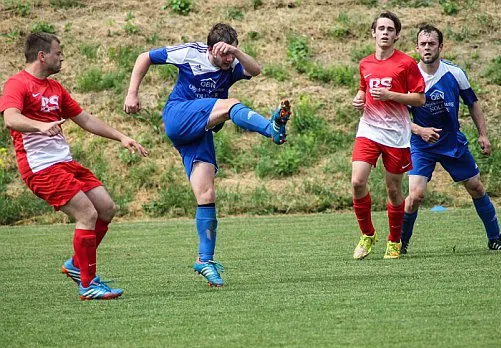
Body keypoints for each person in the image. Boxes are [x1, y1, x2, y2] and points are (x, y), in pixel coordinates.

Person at [124, 23, 291, 287]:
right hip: (179, 116)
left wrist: (236, 51)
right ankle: (271, 130)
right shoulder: (191, 53)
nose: (228, 60)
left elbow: (255, 70)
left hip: (200, 131)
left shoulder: (232, 64)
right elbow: (144, 56)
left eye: (231, 54)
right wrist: (132, 92)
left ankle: (205, 260)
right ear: (210, 49)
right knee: (231, 105)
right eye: (223, 54)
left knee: (206, 195)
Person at [0, 32, 149, 300]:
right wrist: (39, 125)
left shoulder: (56, 89)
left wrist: (122, 137)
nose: (62, 57)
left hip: (65, 163)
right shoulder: (17, 84)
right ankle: (88, 284)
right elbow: (10, 119)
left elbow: (86, 120)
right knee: (87, 214)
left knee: (106, 208)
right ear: (42, 56)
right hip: (40, 167)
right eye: (58, 53)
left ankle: (76, 265)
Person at [400, 24, 501, 254]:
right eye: (423, 44)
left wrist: (483, 134)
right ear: (416, 47)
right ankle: (399, 244)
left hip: (452, 142)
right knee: (415, 196)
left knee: (476, 187)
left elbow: (473, 103)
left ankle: (495, 238)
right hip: (422, 145)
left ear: (441, 46)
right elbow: (398, 117)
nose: (427, 48)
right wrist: (420, 130)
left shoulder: (455, 73)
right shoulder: (407, 76)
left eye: (432, 44)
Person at [351, 12, 426, 260]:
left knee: (393, 190)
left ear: (396, 35)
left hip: (396, 135)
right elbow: (364, 90)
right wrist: (359, 100)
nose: (385, 33)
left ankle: (394, 241)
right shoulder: (365, 64)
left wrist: (392, 95)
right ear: (373, 32)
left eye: (390, 29)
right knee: (357, 181)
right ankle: (368, 234)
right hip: (369, 129)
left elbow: (419, 99)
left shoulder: (406, 64)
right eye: (381, 28)